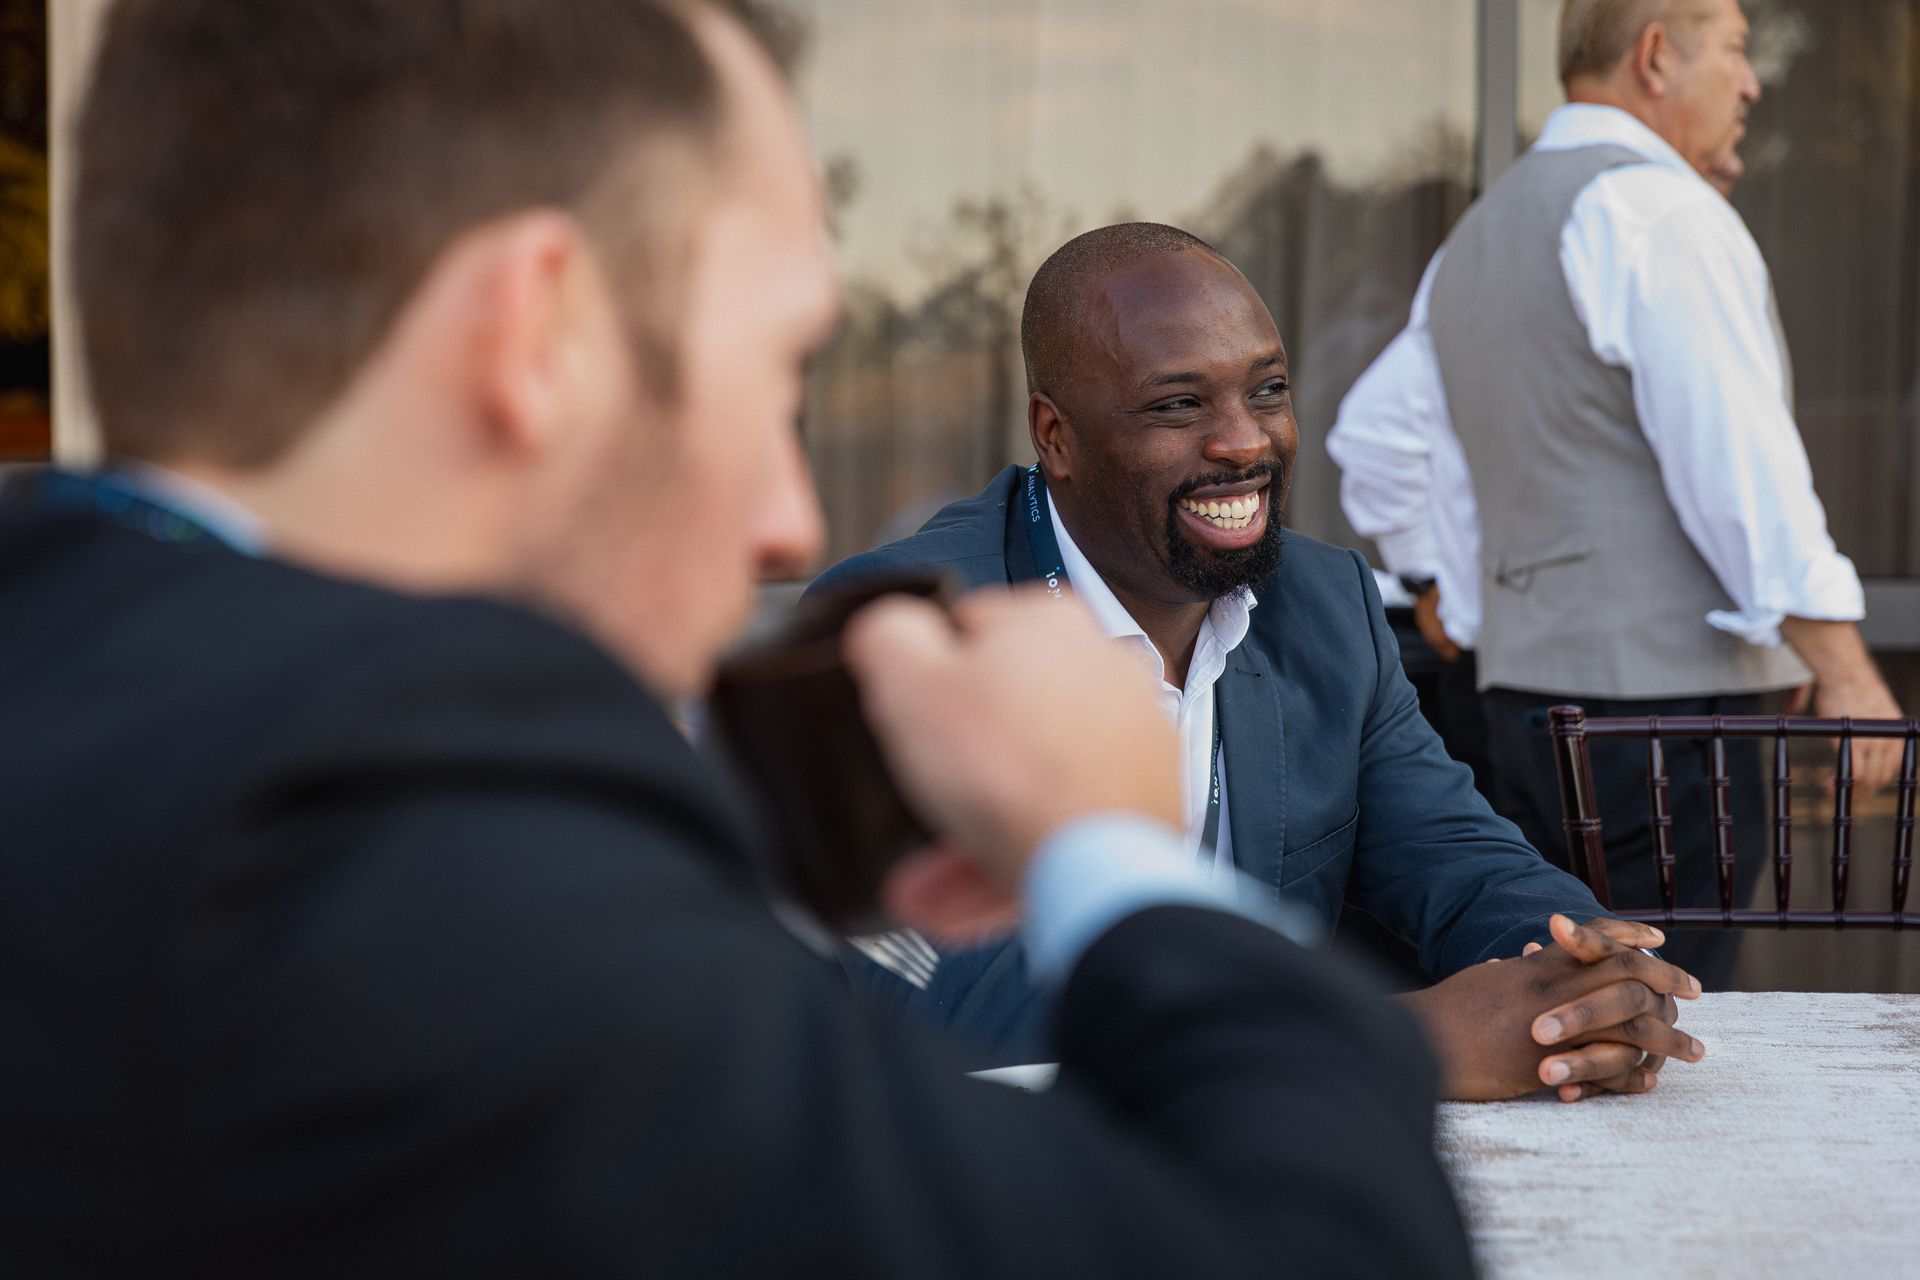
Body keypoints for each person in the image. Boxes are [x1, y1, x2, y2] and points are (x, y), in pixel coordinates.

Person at [0, 1, 1510, 1274]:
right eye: (778, 370)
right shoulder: (425, 884)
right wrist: (1112, 861)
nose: (789, 523)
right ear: (539, 339)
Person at [812, 222, 1706, 1100]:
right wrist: (1401, 1043)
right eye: (1179, 404)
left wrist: (1582, 972)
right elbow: (965, 1012)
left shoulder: (1325, 607)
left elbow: (1458, 857)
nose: (1244, 441)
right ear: (1056, 436)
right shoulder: (911, 635)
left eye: (1267, 391)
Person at [1325, 0, 1903, 991]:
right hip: (1664, 726)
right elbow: (1740, 465)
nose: (1754, 83)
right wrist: (1840, 660)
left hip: (1520, 709)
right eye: (1735, 51)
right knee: (1657, 1005)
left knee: (1561, 990)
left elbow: (1376, 440)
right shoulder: (1663, 213)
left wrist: (1450, 588)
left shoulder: (1481, 235)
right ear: (1653, 59)